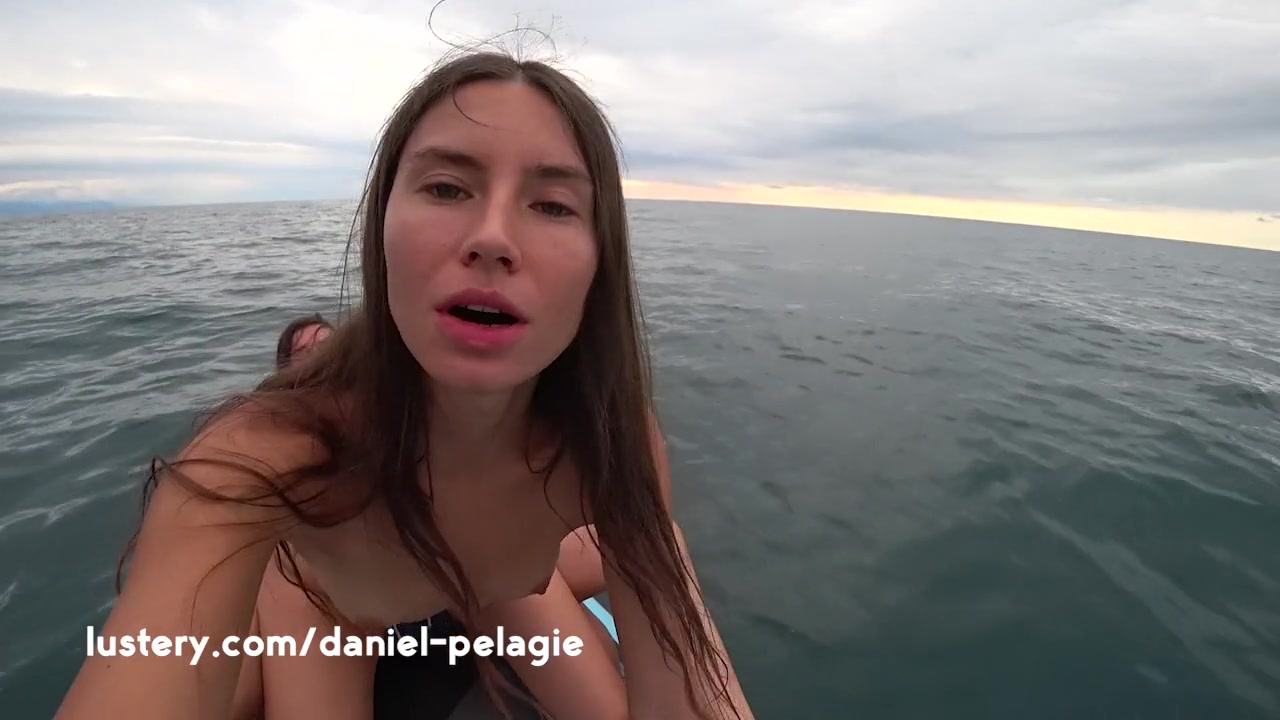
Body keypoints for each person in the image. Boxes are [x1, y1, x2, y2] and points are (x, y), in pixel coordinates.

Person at [55, 47, 755, 720]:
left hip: (493, 590)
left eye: (552, 205)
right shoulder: (262, 462)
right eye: (446, 188)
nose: (493, 237)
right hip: (329, 604)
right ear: (380, 228)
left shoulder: (610, 441)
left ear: (602, 261)